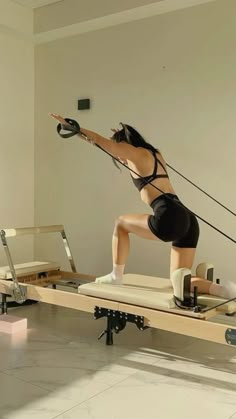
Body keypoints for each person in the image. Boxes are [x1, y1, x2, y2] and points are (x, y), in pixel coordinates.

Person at [50, 113, 236, 301]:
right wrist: (116, 139)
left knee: (121, 223)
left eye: (120, 152)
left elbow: (99, 141)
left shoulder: (134, 153)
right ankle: (225, 290)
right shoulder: (155, 154)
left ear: (125, 144)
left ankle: (116, 276)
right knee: (177, 280)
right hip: (187, 218)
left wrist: (75, 128)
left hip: (168, 215)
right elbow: (107, 145)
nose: (120, 158)